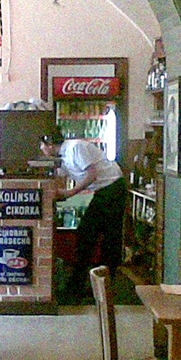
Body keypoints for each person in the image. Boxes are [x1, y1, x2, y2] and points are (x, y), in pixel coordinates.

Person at [39, 127, 126, 302]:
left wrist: (70, 193)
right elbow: (58, 179)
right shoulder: (63, 157)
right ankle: (90, 285)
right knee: (89, 236)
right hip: (104, 191)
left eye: (41, 145)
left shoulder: (75, 147)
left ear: (49, 144)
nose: (41, 149)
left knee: (101, 237)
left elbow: (91, 175)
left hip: (112, 188)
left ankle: (98, 286)